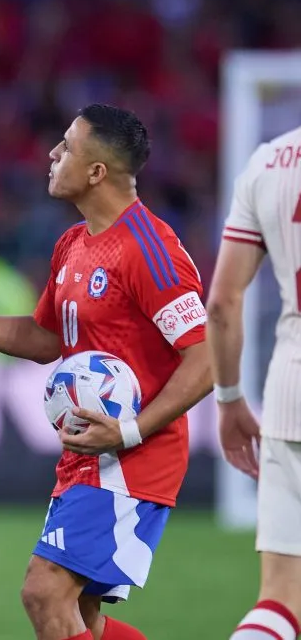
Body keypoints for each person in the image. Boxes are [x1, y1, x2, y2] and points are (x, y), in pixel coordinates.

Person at [0, 104, 211, 640]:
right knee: (82, 617)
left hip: (133, 460)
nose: (52, 154)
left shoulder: (150, 249)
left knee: (43, 589)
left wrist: (129, 429)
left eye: (67, 146)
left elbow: (206, 358)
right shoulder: (73, 244)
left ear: (97, 171)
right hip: (86, 454)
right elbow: (42, 339)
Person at [206, 127, 301, 640]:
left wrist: (228, 398)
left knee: (279, 603)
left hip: (291, 396)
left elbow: (221, 303)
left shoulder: (270, 162)